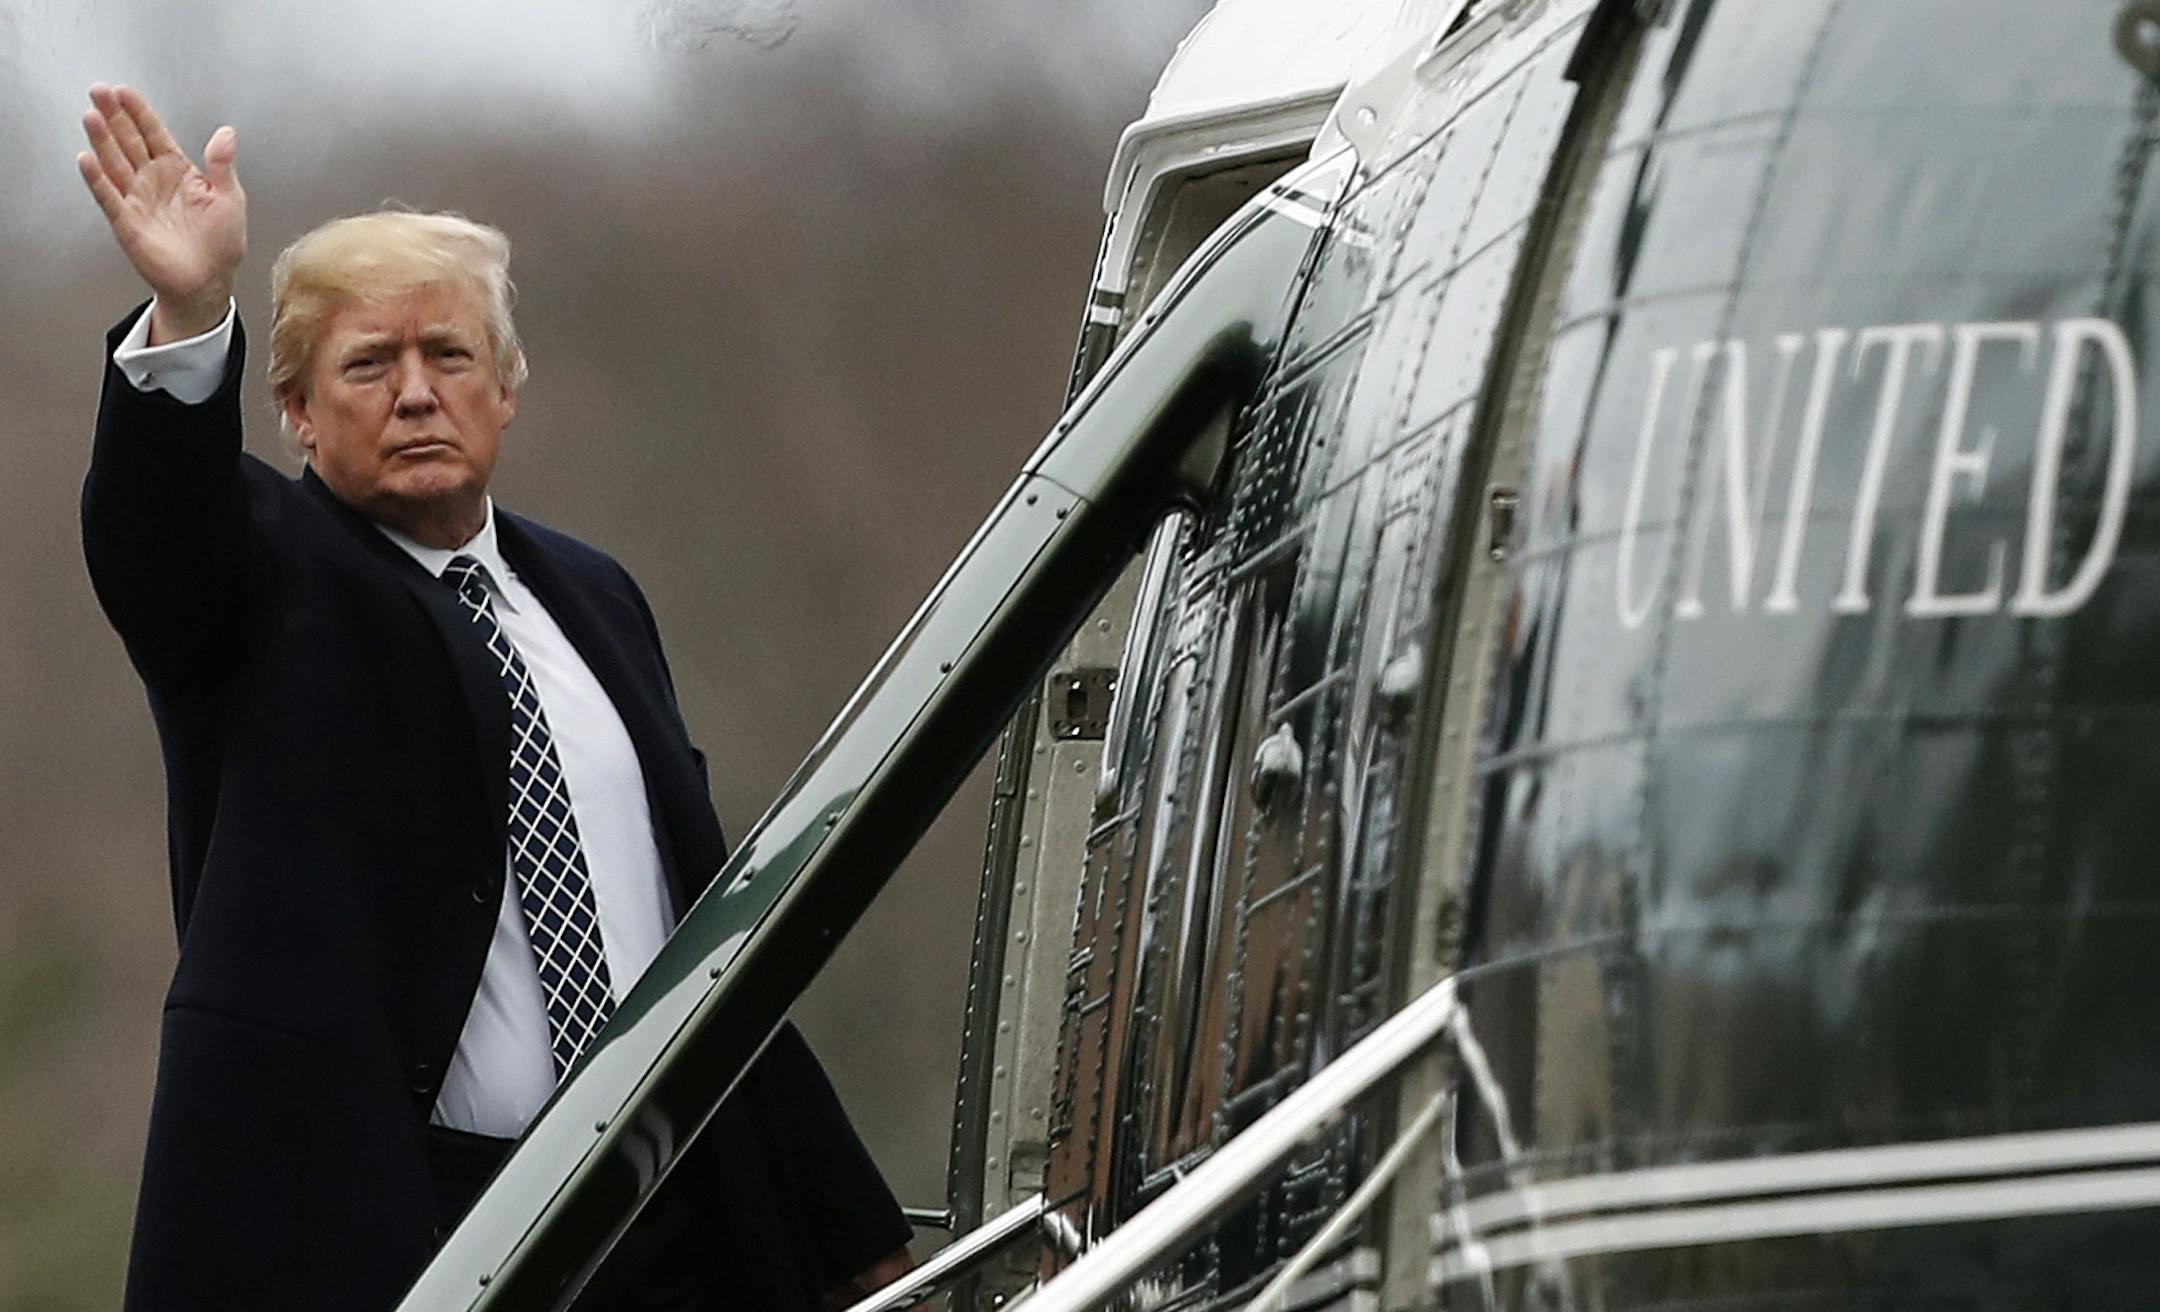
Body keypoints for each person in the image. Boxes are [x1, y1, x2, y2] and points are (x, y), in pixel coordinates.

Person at [74, 83, 915, 1311]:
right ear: (297, 412)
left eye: (449, 356)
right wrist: (193, 313)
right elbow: (154, 530)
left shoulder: (597, 595)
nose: (416, 393)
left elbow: (704, 929)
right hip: (407, 1233)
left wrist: (852, 1235)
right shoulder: (260, 577)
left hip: (671, 1215)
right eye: (369, 364)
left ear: (506, 389)